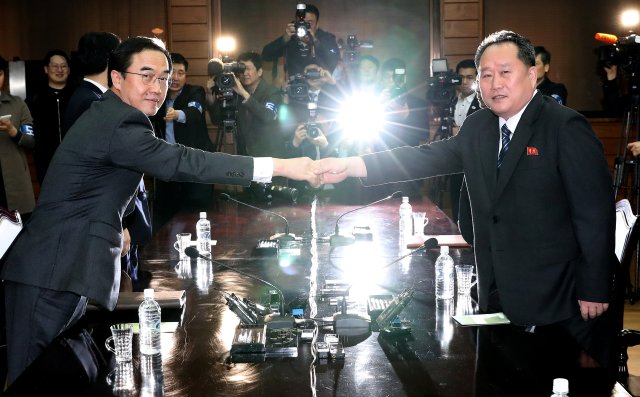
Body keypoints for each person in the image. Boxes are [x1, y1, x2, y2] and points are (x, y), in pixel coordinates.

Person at [1, 36, 318, 385]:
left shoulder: (113, 114)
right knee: (29, 380)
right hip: (50, 272)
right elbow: (183, 161)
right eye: (146, 75)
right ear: (117, 78)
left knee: (50, 378)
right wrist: (281, 166)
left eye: (164, 77)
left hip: (58, 268)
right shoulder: (121, 122)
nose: (158, 87)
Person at [315, 30, 621, 382]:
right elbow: (424, 158)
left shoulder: (565, 126)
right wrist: (354, 165)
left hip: (566, 299)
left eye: (505, 72)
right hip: (501, 291)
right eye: (486, 75)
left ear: (532, 74)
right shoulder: (479, 127)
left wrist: (594, 288)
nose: (495, 83)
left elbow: (594, 214)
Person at [62, 32, 149, 289]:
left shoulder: (85, 96)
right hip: (105, 221)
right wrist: (119, 224)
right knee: (118, 292)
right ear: (112, 61)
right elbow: (101, 172)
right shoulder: (92, 103)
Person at [151, 52, 214, 225]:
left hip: (196, 164)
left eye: (181, 73)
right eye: (172, 73)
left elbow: (194, 113)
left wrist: (177, 114)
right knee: (166, 213)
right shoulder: (157, 95)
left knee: (197, 213)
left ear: (186, 75)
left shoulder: (195, 91)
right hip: (167, 165)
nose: (176, 78)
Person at [209, 51, 283, 158]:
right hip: (245, 155)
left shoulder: (271, 92)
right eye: (241, 69)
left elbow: (268, 116)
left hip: (269, 155)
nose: (244, 73)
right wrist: (211, 99)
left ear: (260, 72)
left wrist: (243, 92)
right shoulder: (235, 93)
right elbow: (217, 120)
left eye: (248, 69)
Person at [28, 49, 74, 184]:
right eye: (55, 66)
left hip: (75, 161)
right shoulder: (35, 99)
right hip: (45, 163)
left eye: (64, 66)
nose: (59, 70)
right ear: (46, 69)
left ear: (69, 69)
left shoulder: (77, 96)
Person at [262, 3, 340, 79]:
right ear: (296, 23)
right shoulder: (291, 38)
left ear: (317, 25)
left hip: (320, 87)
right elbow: (266, 55)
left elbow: (333, 59)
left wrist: (315, 42)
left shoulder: (326, 38)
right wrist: (284, 39)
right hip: (295, 85)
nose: (304, 27)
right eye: (302, 23)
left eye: (309, 23)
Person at [0, 55, 36, 219]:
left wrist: (13, 131)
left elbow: (31, 140)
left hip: (14, 182)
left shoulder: (17, 104)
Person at [450, 59, 480, 232]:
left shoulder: (482, 103)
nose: (465, 82)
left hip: (475, 161)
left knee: (472, 206)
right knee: (455, 201)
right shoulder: (450, 101)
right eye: (461, 77)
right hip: (454, 160)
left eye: (470, 77)